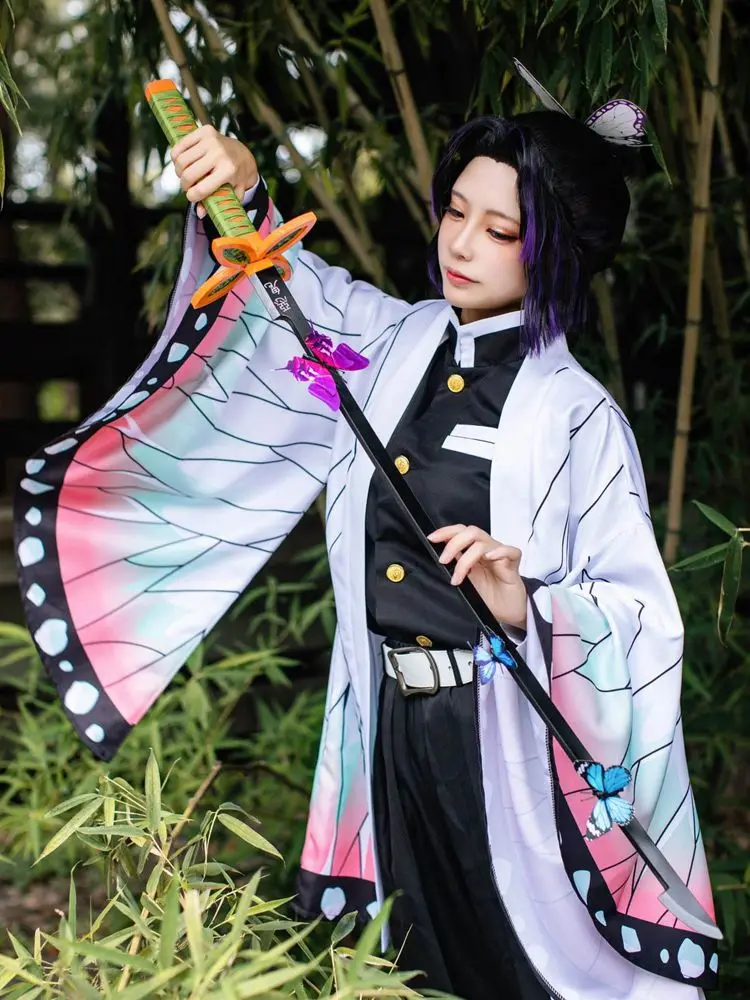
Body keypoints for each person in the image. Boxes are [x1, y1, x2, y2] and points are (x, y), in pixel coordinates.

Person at [14, 71, 719, 1000]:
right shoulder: (392, 344)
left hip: (499, 741)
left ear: (559, 251)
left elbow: (645, 619)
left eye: (500, 231)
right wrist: (244, 188)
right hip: (386, 722)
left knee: (516, 966)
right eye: (455, 212)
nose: (460, 244)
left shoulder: (578, 416)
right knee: (408, 965)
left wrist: (529, 601)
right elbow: (287, 295)